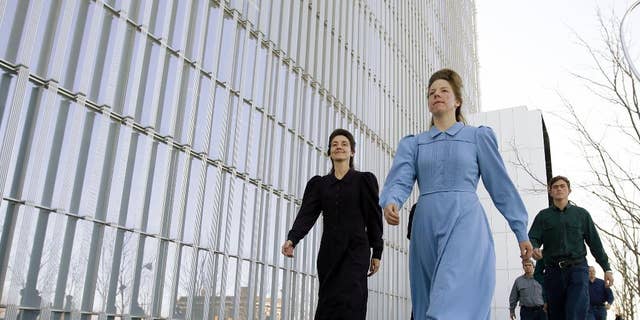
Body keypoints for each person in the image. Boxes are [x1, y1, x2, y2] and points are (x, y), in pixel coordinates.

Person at [379, 68, 533, 320]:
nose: (436, 95)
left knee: (450, 300)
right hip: (425, 227)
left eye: (443, 91)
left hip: (465, 222)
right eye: (431, 93)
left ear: (457, 101)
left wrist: (520, 230)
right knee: (428, 300)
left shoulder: (477, 137)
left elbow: (501, 186)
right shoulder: (414, 144)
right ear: (428, 103)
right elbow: (400, 179)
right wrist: (392, 201)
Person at [281, 128, 383, 320]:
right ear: (329, 152)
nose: (339, 147)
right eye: (334, 144)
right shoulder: (320, 184)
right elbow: (307, 214)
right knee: (328, 304)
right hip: (329, 253)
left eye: (344, 144)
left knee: (352, 303)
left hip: (356, 252)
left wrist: (377, 251)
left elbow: (374, 218)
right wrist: (292, 239)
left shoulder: (363, 181)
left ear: (352, 152)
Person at [529, 176, 614, 320]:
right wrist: (535, 248)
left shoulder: (581, 215)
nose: (559, 189)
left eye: (562, 186)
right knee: (556, 314)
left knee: (575, 312)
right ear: (550, 192)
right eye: (555, 187)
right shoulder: (543, 217)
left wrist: (606, 268)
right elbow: (533, 237)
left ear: (569, 190)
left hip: (577, 270)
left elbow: (595, 243)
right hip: (553, 272)